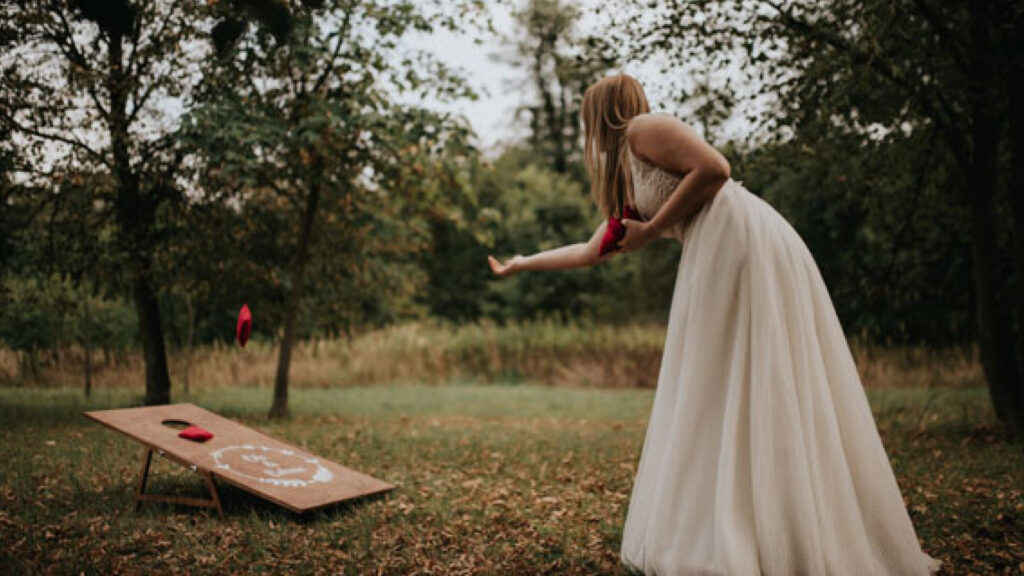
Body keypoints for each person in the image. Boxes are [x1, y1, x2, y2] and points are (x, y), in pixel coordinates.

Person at [488, 74, 942, 575]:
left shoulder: (644, 127)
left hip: (741, 240)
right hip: (716, 248)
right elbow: (591, 251)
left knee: (727, 375)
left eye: (585, 118)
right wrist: (522, 261)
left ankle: (768, 527)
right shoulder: (630, 174)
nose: (584, 129)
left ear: (601, 111)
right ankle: (741, 522)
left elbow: (716, 168)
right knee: (723, 383)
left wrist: (656, 229)